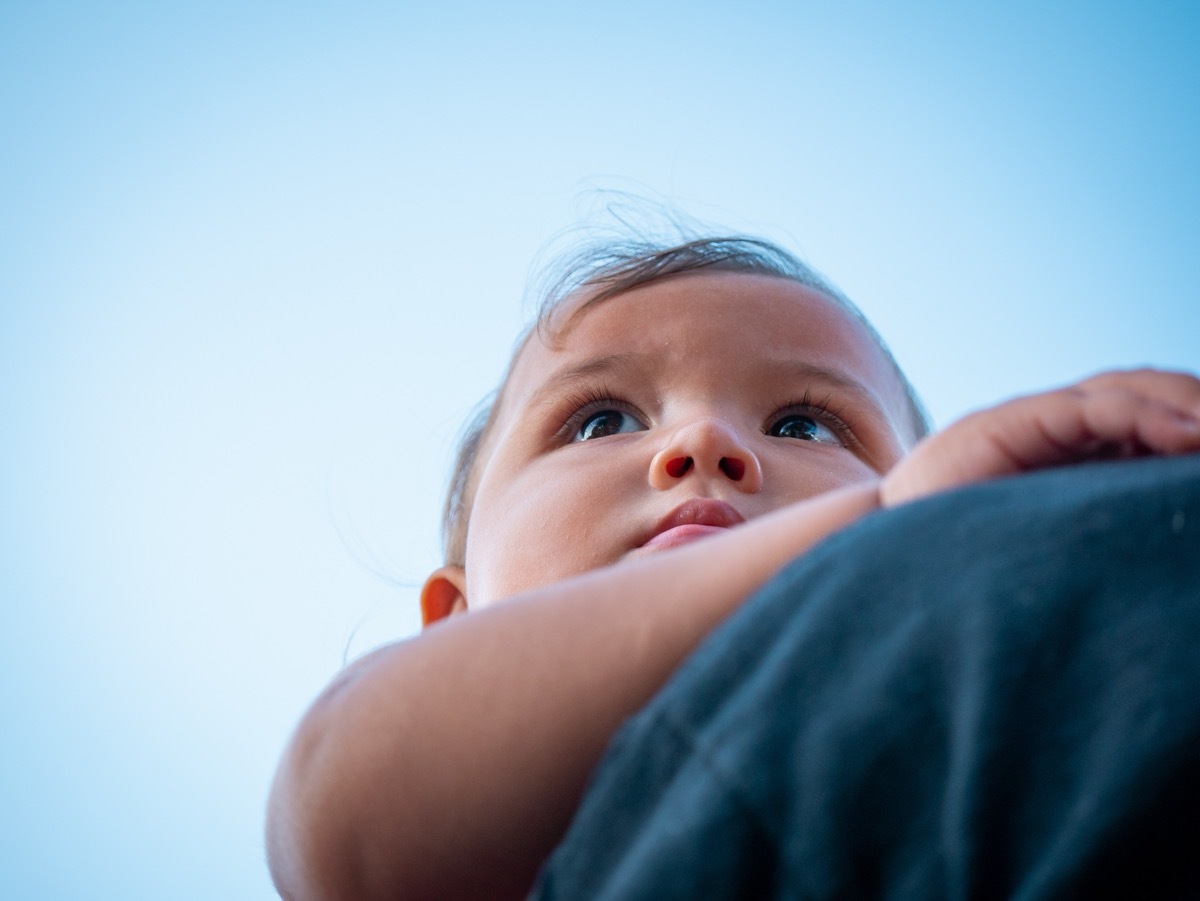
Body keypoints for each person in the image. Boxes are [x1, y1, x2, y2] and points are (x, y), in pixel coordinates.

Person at [265, 233, 1200, 901]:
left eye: (805, 424)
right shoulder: (419, 795)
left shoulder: (968, 691)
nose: (706, 440)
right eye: (600, 420)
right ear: (454, 619)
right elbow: (346, 809)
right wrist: (878, 520)